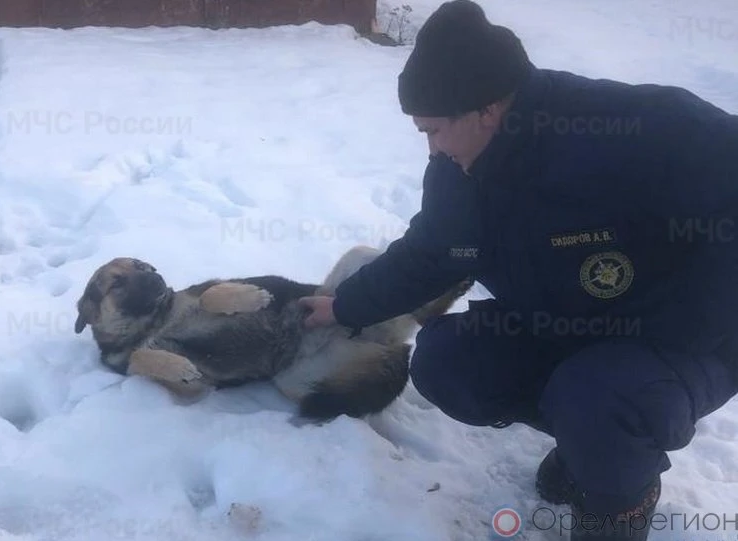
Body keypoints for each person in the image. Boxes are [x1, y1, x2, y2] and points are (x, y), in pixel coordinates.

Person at [298, 0, 738, 539]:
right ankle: (588, 441)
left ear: (486, 110)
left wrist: (687, 325)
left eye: (434, 130)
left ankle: (620, 498)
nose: (430, 147)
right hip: (563, 325)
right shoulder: (459, 167)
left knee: (599, 398)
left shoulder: (634, 128)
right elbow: (433, 252)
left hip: (687, 340)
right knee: (448, 361)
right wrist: (345, 306)